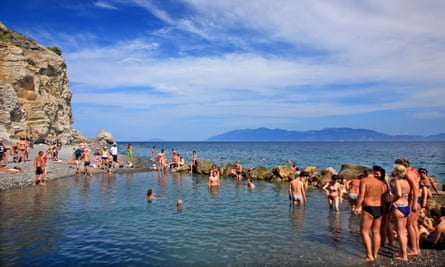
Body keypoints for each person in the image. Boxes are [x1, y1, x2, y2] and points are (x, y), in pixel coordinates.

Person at [354, 168, 388, 262]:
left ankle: (369, 255)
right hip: (380, 207)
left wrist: (357, 207)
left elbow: (361, 196)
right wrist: (384, 210)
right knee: (376, 232)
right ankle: (375, 254)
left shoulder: (364, 180)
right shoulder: (381, 183)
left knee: (364, 232)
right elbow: (384, 197)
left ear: (365, 174)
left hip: (369, 207)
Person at [395, 158, 420, 256]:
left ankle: (414, 249)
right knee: (414, 225)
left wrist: (414, 202)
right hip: (414, 200)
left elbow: (415, 187)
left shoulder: (409, 173)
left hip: (412, 201)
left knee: (410, 225)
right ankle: (416, 248)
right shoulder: (413, 171)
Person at [390, 164, 411, 261]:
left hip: (398, 207)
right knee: (403, 232)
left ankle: (404, 256)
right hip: (406, 206)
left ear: (397, 171)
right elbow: (405, 194)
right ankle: (403, 252)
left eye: (393, 169)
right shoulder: (406, 182)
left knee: (400, 232)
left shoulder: (397, 182)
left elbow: (398, 194)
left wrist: (392, 201)